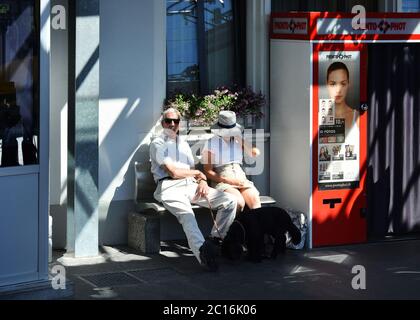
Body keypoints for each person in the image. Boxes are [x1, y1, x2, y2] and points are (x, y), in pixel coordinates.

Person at [149, 108, 237, 271]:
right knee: (188, 216)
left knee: (230, 201)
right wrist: (198, 173)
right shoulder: (157, 143)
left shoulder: (182, 143)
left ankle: (214, 240)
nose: (172, 124)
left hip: (191, 185)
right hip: (169, 186)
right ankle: (203, 254)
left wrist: (202, 180)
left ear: (179, 124)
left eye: (176, 121)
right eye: (168, 121)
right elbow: (173, 172)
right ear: (163, 124)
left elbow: (192, 169)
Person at [202, 111, 261, 213]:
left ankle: (256, 228)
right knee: (238, 202)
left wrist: (240, 138)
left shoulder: (238, 140)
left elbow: (254, 153)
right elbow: (208, 171)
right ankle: (236, 228)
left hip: (240, 177)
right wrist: (229, 181)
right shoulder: (212, 142)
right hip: (222, 179)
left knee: (255, 201)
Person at [326, 62, 359, 132]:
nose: (338, 90)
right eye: (333, 84)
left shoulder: (358, 116)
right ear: (327, 85)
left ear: (348, 84)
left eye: (343, 84)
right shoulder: (318, 117)